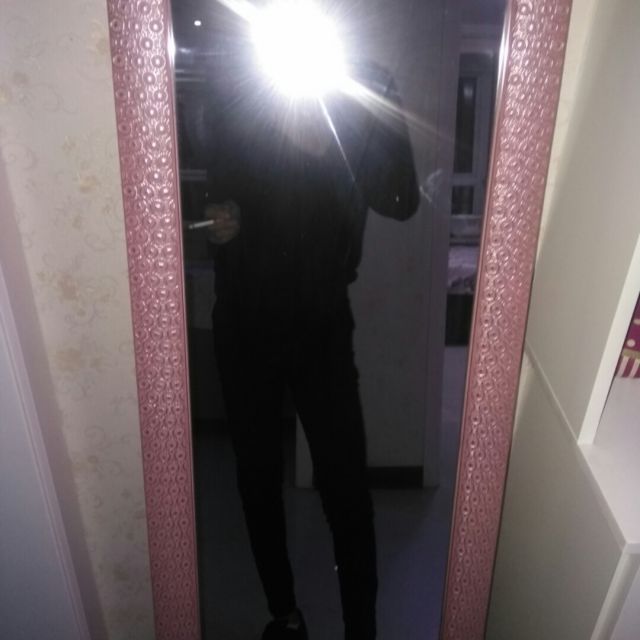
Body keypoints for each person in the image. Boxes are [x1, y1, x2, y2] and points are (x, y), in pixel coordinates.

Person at [202, 46, 419, 639]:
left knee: (345, 487)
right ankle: (285, 614)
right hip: (243, 320)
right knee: (256, 478)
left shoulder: (362, 88)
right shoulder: (241, 89)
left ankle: (361, 631)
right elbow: (215, 193)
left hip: (320, 324)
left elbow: (400, 200)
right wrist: (219, 219)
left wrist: (350, 115)